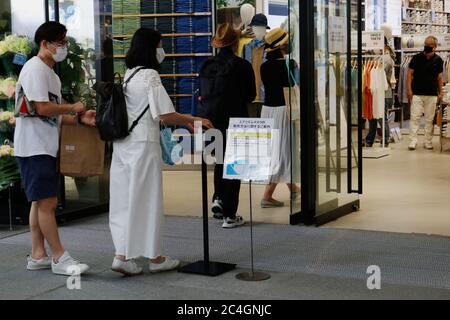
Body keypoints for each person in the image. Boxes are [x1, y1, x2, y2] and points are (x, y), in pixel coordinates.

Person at [109, 28, 213, 276]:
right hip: (144, 145)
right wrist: (192, 118)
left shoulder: (129, 75)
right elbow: (164, 114)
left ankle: (121, 256)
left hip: (123, 145)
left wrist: (186, 121)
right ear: (151, 48)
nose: (162, 50)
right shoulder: (150, 76)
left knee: (124, 201)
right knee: (148, 200)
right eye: (160, 44)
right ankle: (155, 258)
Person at [14, 22, 95, 276]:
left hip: (43, 146)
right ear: (44, 44)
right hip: (34, 147)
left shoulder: (52, 75)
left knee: (39, 203)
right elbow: (41, 108)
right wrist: (73, 107)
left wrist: (80, 118)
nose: (64, 47)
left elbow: (54, 116)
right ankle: (59, 257)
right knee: (48, 202)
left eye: (65, 41)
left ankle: (38, 254)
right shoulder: (35, 69)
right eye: (59, 42)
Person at [203, 23, 256, 228]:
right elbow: (250, 95)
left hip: (211, 121)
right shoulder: (242, 65)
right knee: (235, 166)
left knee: (220, 162)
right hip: (236, 120)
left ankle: (218, 199)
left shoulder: (207, 65)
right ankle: (230, 215)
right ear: (236, 43)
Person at [259, 27, 300, 208]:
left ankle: (293, 188)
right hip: (284, 110)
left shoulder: (264, 66)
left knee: (275, 150)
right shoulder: (290, 64)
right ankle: (267, 195)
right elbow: (295, 84)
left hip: (267, 110)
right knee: (284, 150)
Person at [407, 36, 444, 150]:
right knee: (415, 117)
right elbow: (409, 74)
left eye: (430, 44)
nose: (427, 46)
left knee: (429, 118)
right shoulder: (416, 58)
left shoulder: (439, 60)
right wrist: (409, 90)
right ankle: (413, 140)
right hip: (417, 92)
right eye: (426, 44)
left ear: (435, 47)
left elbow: (439, 77)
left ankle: (428, 141)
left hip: (432, 93)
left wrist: (440, 92)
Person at [365, 37, 395, 147]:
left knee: (381, 117)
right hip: (376, 92)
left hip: (384, 92)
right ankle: (370, 139)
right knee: (372, 116)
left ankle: (386, 138)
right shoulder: (377, 57)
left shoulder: (386, 59)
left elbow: (379, 73)